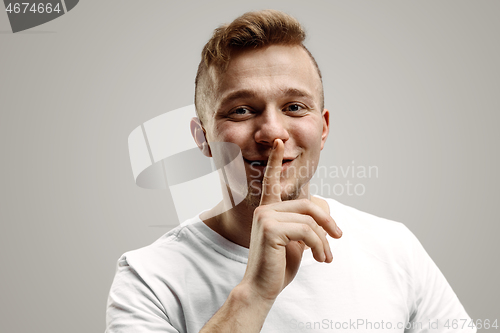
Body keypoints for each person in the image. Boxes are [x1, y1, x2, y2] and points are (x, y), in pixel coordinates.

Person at [106, 10, 475, 333]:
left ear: (324, 128)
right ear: (203, 138)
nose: (272, 133)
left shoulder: (395, 250)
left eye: (295, 107)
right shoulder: (148, 277)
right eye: (241, 110)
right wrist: (252, 297)